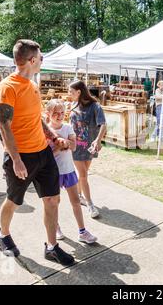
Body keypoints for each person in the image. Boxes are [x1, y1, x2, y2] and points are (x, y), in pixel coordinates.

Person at [0, 39, 75, 266]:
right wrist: (16, 160)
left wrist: (52, 136)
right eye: (41, 58)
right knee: (13, 200)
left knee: (53, 199)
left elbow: (35, 118)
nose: (42, 61)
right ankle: (3, 234)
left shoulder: (32, 85)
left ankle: (52, 247)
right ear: (32, 60)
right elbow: (4, 126)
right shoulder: (8, 87)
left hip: (43, 153)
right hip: (21, 157)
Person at [44, 99, 98, 244]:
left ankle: (82, 231)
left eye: (62, 112)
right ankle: (55, 227)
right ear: (48, 114)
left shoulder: (68, 128)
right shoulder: (45, 131)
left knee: (75, 202)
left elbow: (74, 147)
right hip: (53, 173)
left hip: (68, 170)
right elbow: (47, 153)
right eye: (55, 113)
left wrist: (65, 142)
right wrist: (59, 144)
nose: (60, 115)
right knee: (55, 203)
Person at [69, 80, 107, 219]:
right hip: (75, 146)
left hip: (90, 146)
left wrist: (97, 140)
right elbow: (70, 125)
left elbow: (103, 124)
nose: (69, 94)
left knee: (83, 174)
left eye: (71, 92)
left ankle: (79, 196)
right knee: (84, 175)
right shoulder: (73, 105)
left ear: (79, 92)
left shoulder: (95, 106)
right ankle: (90, 204)